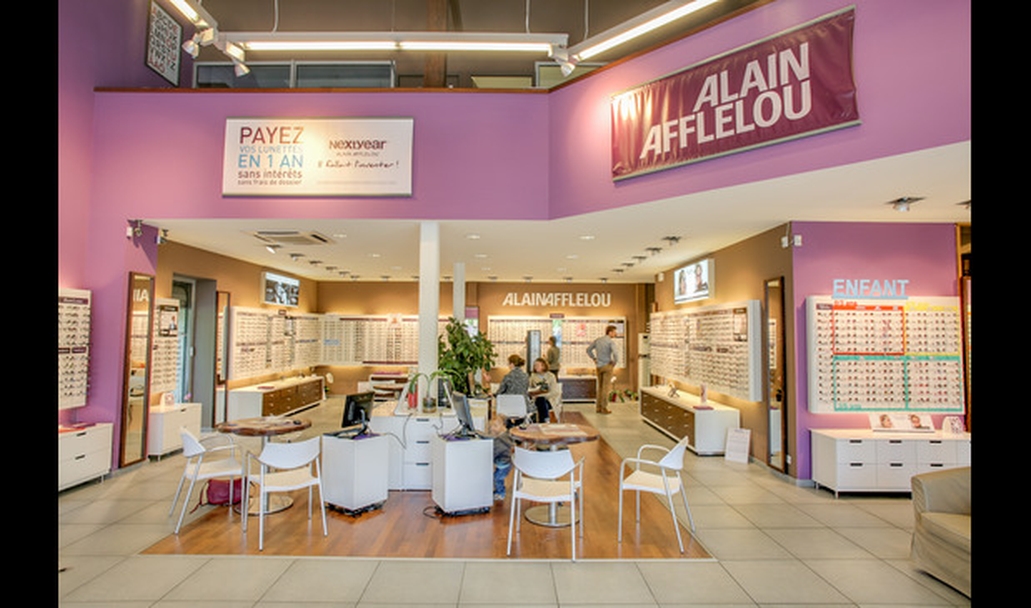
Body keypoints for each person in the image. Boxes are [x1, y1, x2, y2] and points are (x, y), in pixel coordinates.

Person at [586, 324, 618, 414]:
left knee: (600, 387)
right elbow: (615, 353)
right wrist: (615, 362)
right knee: (605, 388)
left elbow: (588, 350)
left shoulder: (598, 340)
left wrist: (594, 358)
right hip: (607, 366)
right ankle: (604, 407)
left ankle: (598, 407)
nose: (615, 334)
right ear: (610, 332)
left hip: (599, 366)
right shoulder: (610, 342)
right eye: (614, 332)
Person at [495, 353, 530, 423]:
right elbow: (525, 390)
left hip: (509, 407)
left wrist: (493, 394)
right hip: (522, 407)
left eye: (508, 364)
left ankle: (509, 426)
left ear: (512, 364)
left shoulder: (507, 377)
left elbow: (500, 392)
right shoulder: (526, 376)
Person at [487, 413, 514, 501]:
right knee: (498, 477)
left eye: (495, 426)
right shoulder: (505, 435)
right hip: (505, 462)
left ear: (503, 425)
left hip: (504, 464)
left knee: (497, 477)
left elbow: (495, 452)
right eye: (491, 426)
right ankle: (499, 491)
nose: (492, 428)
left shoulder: (500, 440)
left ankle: (500, 493)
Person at [528, 357, 560, 423]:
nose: (535, 367)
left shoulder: (551, 376)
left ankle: (543, 420)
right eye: (535, 365)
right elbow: (529, 388)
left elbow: (554, 392)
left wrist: (542, 395)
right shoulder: (533, 376)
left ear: (543, 366)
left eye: (537, 365)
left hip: (549, 399)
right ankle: (545, 420)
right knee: (541, 401)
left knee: (541, 400)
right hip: (536, 400)